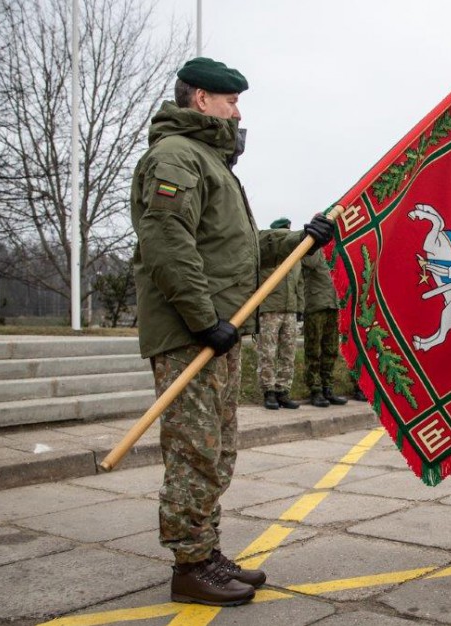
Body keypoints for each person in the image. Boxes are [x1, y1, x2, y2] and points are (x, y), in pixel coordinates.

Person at [130, 57, 334, 606]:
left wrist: (302, 239)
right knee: (196, 451)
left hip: (215, 331)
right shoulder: (177, 156)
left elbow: (236, 250)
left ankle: (205, 549)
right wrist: (203, 320)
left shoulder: (210, 162)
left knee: (217, 451)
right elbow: (168, 244)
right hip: (189, 335)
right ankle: (189, 565)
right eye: (231, 101)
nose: (237, 112)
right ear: (202, 100)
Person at [257, 218, 303, 411]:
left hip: (290, 309)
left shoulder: (295, 256)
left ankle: (283, 391)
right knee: (267, 352)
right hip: (270, 308)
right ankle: (268, 392)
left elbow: (299, 283)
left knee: (288, 352)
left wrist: (300, 307)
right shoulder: (267, 254)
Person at [301, 250, 348, 407]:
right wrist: (316, 244)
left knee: (331, 349)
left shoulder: (336, 253)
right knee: (313, 350)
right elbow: (308, 264)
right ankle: (315, 389)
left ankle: (327, 387)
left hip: (333, 305)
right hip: (316, 305)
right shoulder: (313, 250)